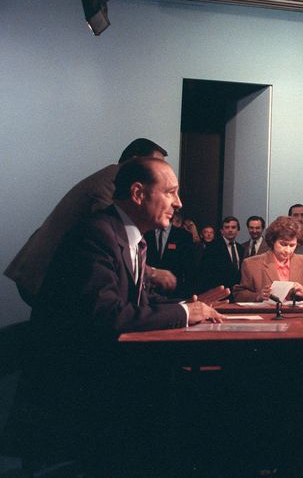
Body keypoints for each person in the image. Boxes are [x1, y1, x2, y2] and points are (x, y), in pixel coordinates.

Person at [5, 157, 228, 472]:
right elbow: (108, 313)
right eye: (171, 192)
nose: (178, 203)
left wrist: (188, 306)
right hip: (79, 385)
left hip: (100, 370)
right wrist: (183, 312)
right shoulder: (97, 234)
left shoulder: (125, 235)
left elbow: (137, 299)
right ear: (138, 193)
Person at [4, 138, 177, 305]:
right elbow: (113, 240)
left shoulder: (110, 177)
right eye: (155, 165)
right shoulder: (114, 181)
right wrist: (152, 273)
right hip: (42, 271)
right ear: (134, 161)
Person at [233, 216, 303, 302]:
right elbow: (239, 295)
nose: (287, 250)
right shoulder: (251, 264)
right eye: (283, 244)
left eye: (292, 245)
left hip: (299, 316)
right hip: (267, 316)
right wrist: (258, 296)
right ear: (273, 241)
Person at [144, 215, 195, 298]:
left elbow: (189, 269)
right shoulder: (146, 233)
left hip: (174, 293)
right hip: (148, 291)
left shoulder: (184, 236)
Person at [198, 216, 244, 294]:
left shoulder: (241, 248)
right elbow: (206, 273)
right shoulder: (212, 247)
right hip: (219, 293)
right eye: (227, 227)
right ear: (222, 231)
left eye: (233, 227)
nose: (230, 230)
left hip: (237, 293)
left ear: (238, 231)